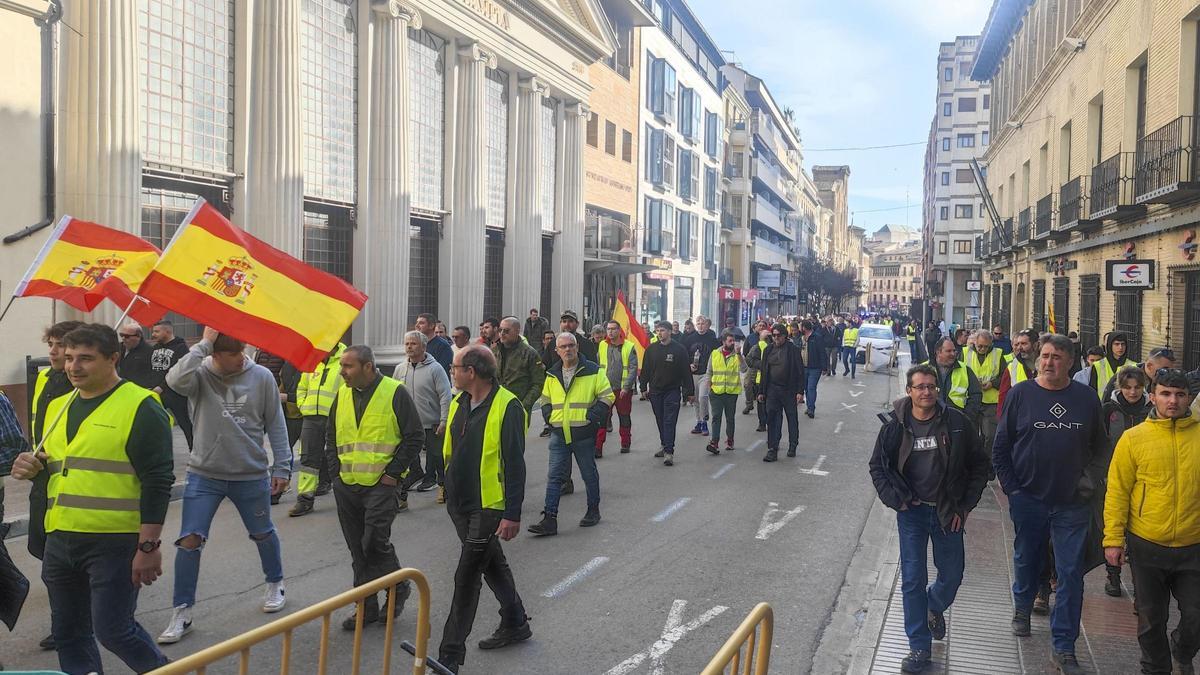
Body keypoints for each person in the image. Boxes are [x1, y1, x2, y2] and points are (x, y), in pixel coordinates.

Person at [10, 323, 174, 673]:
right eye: (69, 358)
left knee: (114, 630)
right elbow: (58, 466)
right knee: (69, 633)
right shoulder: (57, 407)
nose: (73, 367)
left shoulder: (142, 406)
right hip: (61, 538)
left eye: (85, 358)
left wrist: (148, 547)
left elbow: (158, 481)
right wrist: (32, 467)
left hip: (114, 542)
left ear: (114, 358)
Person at [157, 327, 292, 644]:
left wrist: (282, 466)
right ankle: (182, 610)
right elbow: (174, 381)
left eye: (242, 350)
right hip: (205, 473)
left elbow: (276, 422)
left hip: (250, 472)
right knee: (189, 539)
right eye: (232, 353)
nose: (240, 358)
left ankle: (275, 582)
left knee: (262, 532)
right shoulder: (200, 374)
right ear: (215, 355)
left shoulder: (261, 377)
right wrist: (203, 344)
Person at [993, 334, 1107, 674]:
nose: (1048, 361)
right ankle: (1022, 606)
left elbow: (1102, 448)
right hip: (1028, 498)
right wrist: (1013, 489)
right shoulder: (1021, 395)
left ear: (1071, 361)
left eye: (1057, 356)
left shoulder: (1086, 399)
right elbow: (1001, 448)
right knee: (1027, 556)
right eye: (1044, 355)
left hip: (1072, 503)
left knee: (1071, 573)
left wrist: (1089, 480)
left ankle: (1064, 646)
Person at [869, 364, 989, 674]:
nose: (927, 392)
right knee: (912, 578)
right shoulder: (894, 426)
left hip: (948, 511)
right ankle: (918, 646)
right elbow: (878, 467)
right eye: (920, 387)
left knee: (952, 575)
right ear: (909, 391)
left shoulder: (957, 423)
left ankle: (934, 606)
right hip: (912, 512)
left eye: (931, 386)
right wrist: (896, 500)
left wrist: (965, 506)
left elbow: (979, 465)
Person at [438, 345, 531, 672]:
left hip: (489, 506)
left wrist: (512, 514)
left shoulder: (508, 407)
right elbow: (452, 447)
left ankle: (449, 655)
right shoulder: (459, 401)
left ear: (471, 372)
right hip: (459, 502)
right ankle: (516, 620)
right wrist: (445, 485)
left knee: (466, 577)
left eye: (455, 367)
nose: (452, 371)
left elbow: (515, 465)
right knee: (491, 564)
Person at [1103, 368, 1200, 675]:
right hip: (1147, 543)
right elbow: (1117, 491)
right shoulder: (1134, 439)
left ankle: (1182, 648)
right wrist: (1113, 540)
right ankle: (1154, 668)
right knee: (1151, 618)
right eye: (1166, 394)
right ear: (1154, 396)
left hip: (1193, 544)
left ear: (1189, 398)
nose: (1173, 401)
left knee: (1196, 616)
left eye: (1180, 395)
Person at [323, 345, 424, 631]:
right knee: (358, 549)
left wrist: (393, 474)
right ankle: (365, 607)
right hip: (347, 485)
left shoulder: (394, 391)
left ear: (368, 366)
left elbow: (414, 436)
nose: (342, 372)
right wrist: (335, 475)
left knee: (373, 542)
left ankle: (397, 587)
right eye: (342, 366)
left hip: (381, 484)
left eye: (348, 366)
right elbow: (331, 436)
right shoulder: (342, 393)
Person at [26, 320, 84, 651]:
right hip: (42, 474)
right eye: (52, 343)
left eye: (60, 344)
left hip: (69, 478)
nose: (53, 350)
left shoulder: (81, 386)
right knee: (37, 544)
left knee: (56, 559)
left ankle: (67, 625)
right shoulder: (45, 377)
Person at [528, 333, 613, 536]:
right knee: (555, 477)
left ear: (577, 348)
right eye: (563, 347)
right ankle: (550, 519)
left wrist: (592, 417)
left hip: (583, 433)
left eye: (571, 346)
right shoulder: (551, 374)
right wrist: (548, 416)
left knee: (588, 474)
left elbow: (607, 396)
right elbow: (545, 399)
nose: (568, 350)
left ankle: (593, 511)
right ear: (556, 351)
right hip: (558, 434)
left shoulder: (593, 370)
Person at [1099, 365, 1152, 598]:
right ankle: (1113, 576)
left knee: (1137, 529)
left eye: (1138, 387)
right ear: (1120, 386)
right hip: (1113, 475)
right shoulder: (1108, 409)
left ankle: (1140, 580)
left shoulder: (1151, 410)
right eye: (1128, 387)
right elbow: (1099, 442)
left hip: (1144, 478)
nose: (1133, 392)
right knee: (1114, 526)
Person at [289, 341, 347, 517]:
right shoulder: (312, 359)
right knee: (308, 458)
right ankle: (305, 499)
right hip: (311, 418)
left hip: (337, 418)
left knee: (339, 457)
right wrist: (303, 405)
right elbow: (302, 387)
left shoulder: (347, 358)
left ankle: (346, 499)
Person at [397, 331, 453, 506]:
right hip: (408, 424)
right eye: (407, 344)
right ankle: (401, 496)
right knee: (404, 458)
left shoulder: (435, 368)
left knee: (437, 457)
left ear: (423, 346)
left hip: (433, 422)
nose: (409, 347)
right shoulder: (400, 368)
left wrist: (444, 421)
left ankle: (444, 487)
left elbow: (445, 395)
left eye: (413, 344)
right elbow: (393, 394)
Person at [640, 321, 695, 466]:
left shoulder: (679, 349)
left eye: (662, 330)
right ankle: (664, 444)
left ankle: (669, 452)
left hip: (672, 391)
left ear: (670, 332)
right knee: (660, 419)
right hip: (655, 391)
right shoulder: (651, 349)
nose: (659, 333)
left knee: (669, 421)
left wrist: (690, 391)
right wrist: (643, 387)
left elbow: (686, 372)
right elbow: (645, 369)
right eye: (657, 330)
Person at [759, 323, 802, 462]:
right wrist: (761, 391)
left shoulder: (793, 350)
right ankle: (772, 448)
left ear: (784, 336)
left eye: (779, 335)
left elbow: (800, 372)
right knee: (772, 419)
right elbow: (764, 371)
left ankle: (793, 444)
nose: (776, 338)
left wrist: (800, 391)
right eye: (774, 335)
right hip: (772, 389)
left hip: (788, 390)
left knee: (791, 418)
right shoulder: (768, 350)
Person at [147, 319, 193, 449]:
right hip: (156, 392)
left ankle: (194, 450)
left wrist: (162, 386)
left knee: (184, 423)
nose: (153, 334)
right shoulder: (155, 348)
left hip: (175, 393)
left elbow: (180, 371)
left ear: (167, 331)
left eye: (156, 331)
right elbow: (152, 369)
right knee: (153, 422)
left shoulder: (181, 347)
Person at [596, 320, 638, 456]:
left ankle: (625, 442)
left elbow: (633, 369)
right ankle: (598, 447)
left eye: (613, 329)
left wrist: (626, 387)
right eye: (608, 329)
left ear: (619, 331)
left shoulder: (629, 346)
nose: (610, 331)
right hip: (605, 390)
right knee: (602, 418)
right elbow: (598, 365)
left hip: (622, 390)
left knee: (624, 416)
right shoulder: (602, 345)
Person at [963, 331, 1004, 463]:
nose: (982, 349)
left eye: (986, 346)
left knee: (990, 435)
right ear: (975, 342)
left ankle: (987, 463)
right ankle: (973, 463)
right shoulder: (965, 353)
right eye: (980, 346)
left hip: (990, 401)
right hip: (971, 400)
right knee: (971, 435)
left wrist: (992, 383)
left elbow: (1004, 376)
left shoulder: (998, 354)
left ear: (991, 344)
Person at [928, 337, 982, 423]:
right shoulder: (924, 369)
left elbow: (976, 394)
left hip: (957, 420)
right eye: (949, 351)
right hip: (930, 419)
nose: (953, 354)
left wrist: (967, 416)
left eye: (954, 350)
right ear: (938, 352)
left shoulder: (965, 369)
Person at [706, 330, 743, 453]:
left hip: (731, 393)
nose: (732, 343)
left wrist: (739, 355)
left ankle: (730, 440)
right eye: (730, 341)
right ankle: (714, 442)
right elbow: (709, 371)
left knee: (730, 418)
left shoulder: (736, 355)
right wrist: (708, 385)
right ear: (723, 342)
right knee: (716, 417)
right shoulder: (715, 353)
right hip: (716, 391)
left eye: (733, 341)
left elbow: (744, 369)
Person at [1100, 346, 1175, 402]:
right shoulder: (1125, 376)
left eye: (1171, 370)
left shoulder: (1167, 382)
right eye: (1164, 369)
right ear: (1149, 366)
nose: (1168, 373)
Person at [688, 316, 721, 436]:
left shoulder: (712, 339)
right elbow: (684, 354)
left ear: (707, 325)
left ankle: (705, 421)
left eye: (703, 324)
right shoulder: (690, 339)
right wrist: (689, 364)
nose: (701, 326)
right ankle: (699, 421)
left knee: (703, 397)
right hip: (693, 373)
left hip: (706, 373)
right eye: (698, 324)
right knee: (695, 399)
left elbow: (718, 355)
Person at [997, 329, 1038, 415]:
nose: (1019, 347)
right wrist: (1002, 420)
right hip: (1019, 417)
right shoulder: (1012, 367)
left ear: (1035, 345)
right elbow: (1003, 396)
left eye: (1024, 344)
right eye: (1018, 344)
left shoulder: (1046, 365)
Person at [1088, 332, 1131, 398]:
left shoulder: (1133, 366)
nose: (1120, 347)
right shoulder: (1098, 366)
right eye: (1116, 344)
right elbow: (1092, 391)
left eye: (1123, 344)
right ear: (1110, 345)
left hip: (1125, 406)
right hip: (1102, 406)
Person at [797, 320, 824, 419]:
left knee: (811, 387)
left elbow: (822, 352)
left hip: (814, 367)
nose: (800, 329)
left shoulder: (816, 337)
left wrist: (824, 367)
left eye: (801, 327)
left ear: (804, 328)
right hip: (803, 367)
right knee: (806, 388)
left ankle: (811, 409)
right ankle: (809, 406)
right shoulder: (802, 338)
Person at [116, 322, 155, 388]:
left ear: (138, 336)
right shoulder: (118, 348)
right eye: (121, 335)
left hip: (137, 389)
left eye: (127, 336)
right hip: (119, 387)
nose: (123, 338)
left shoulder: (149, 351)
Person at [743, 323, 769, 422]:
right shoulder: (750, 337)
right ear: (756, 327)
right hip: (753, 365)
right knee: (747, 383)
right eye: (759, 325)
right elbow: (745, 351)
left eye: (763, 326)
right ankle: (749, 404)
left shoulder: (769, 338)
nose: (761, 327)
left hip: (765, 367)